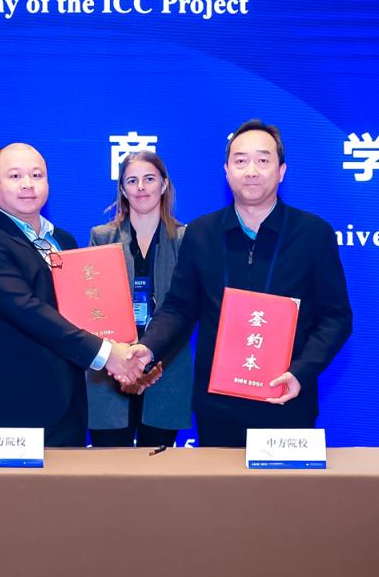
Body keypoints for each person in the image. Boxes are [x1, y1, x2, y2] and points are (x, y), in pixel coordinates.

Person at [139, 120, 353, 446]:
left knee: (286, 484)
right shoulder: (201, 233)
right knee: (221, 482)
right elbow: (179, 308)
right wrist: (147, 347)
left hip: (286, 402)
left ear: (281, 171)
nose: (251, 170)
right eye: (240, 161)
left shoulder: (314, 234)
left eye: (263, 160)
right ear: (227, 171)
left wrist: (301, 372)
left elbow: (336, 317)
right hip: (218, 408)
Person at [0, 143, 149, 446]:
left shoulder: (62, 240)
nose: (28, 184)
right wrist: (107, 355)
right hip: (10, 407)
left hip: (68, 405)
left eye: (37, 175)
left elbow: (85, 311)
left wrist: (121, 347)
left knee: (68, 480)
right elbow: (28, 311)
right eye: (15, 176)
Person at [87, 151, 192, 448]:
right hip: (111, 373)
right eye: (132, 181)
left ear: (164, 184)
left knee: (157, 470)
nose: (141, 187)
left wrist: (152, 363)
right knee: (109, 469)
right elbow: (93, 307)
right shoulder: (101, 237)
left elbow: (187, 309)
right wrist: (121, 364)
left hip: (166, 370)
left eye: (149, 179)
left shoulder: (185, 239)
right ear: (122, 189)